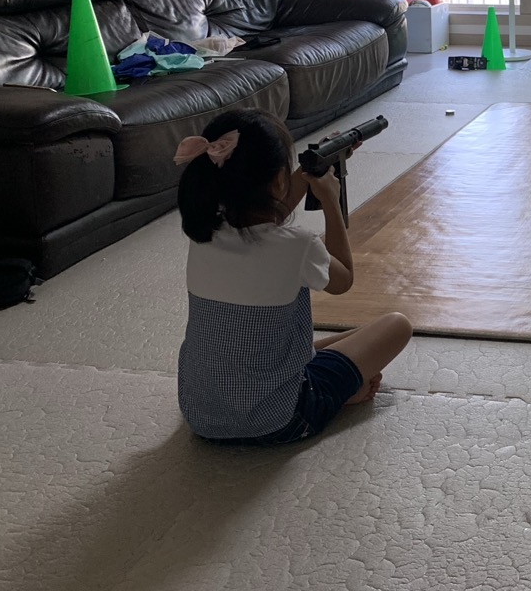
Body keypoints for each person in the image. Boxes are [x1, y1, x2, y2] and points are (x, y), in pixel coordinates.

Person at [174, 108, 412, 444]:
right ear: (278, 181)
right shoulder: (298, 244)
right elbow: (343, 280)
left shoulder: (205, 233)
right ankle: (341, 395)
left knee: (312, 342)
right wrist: (330, 199)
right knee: (396, 325)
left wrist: (312, 169)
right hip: (281, 418)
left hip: (202, 415)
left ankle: (324, 374)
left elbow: (268, 215)